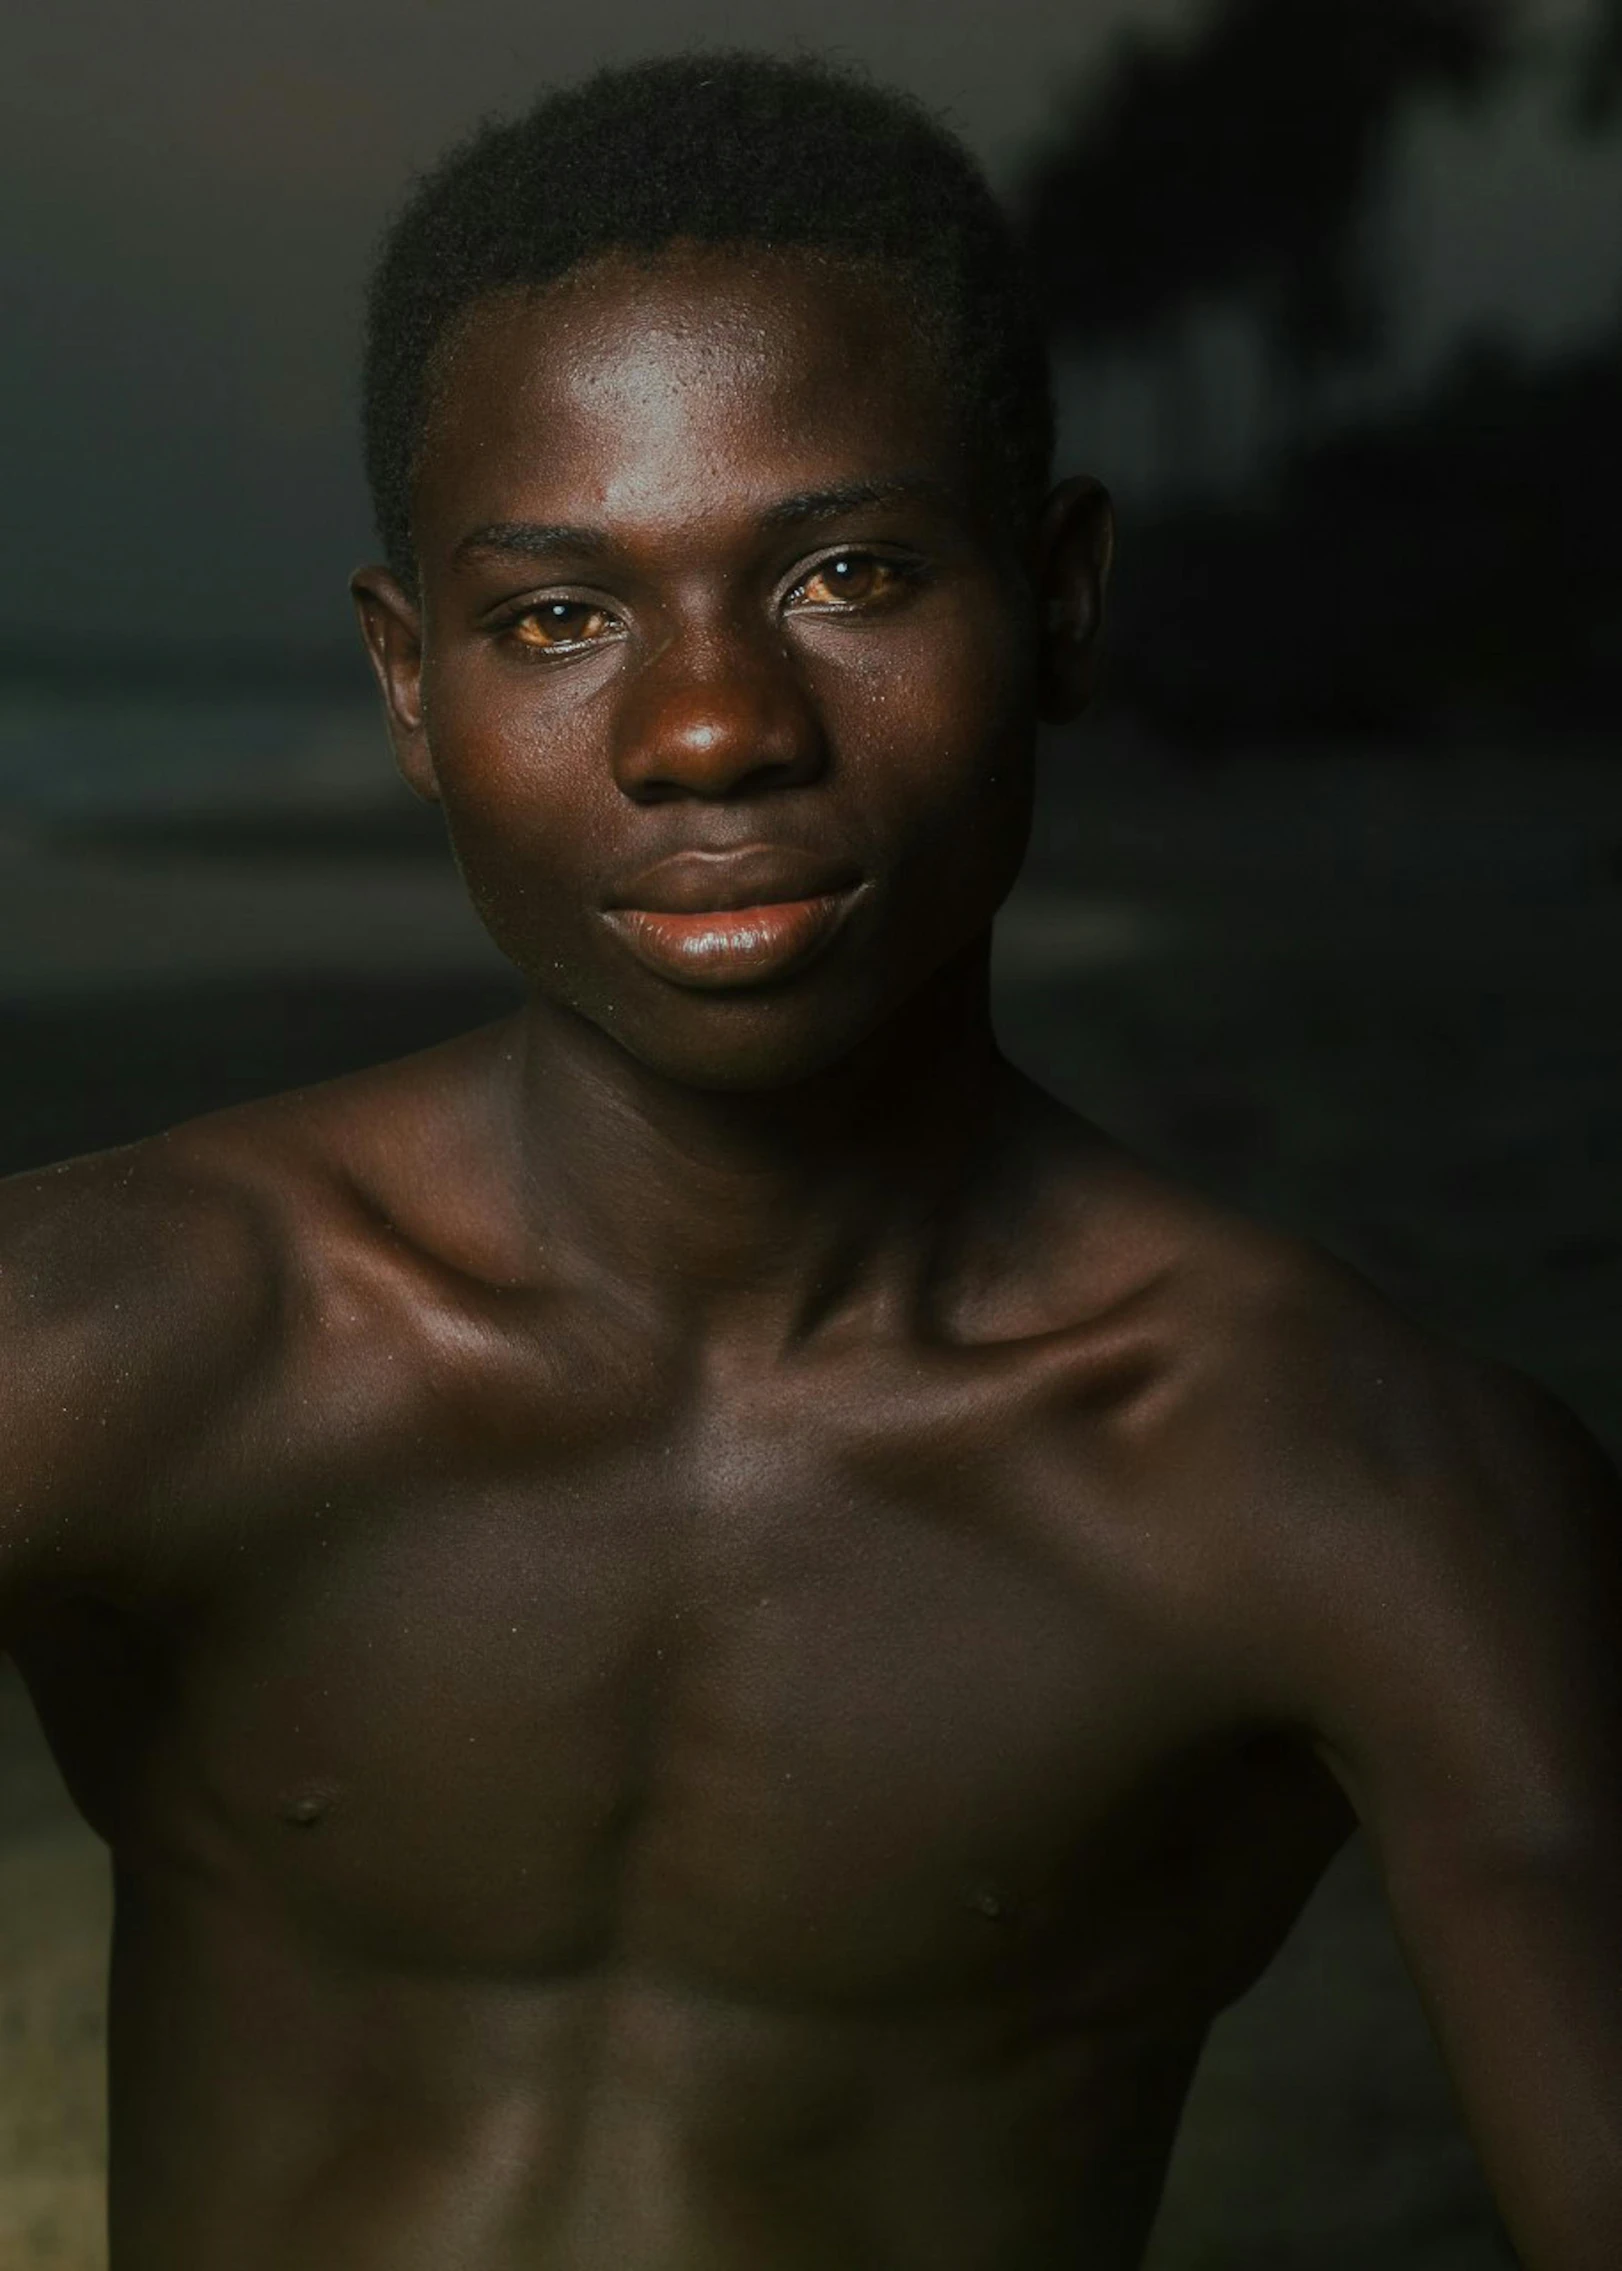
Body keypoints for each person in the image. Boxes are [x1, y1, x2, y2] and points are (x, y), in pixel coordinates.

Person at [2, 50, 1617, 2271]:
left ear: (1053, 599)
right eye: (559, 618)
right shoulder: (108, 1340)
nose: (704, 730)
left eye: (847, 572)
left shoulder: (1353, 1486)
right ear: (406, 685)